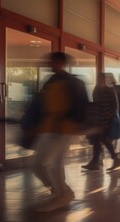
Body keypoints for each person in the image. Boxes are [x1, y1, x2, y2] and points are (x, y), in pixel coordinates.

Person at [32, 52, 89, 212]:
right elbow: (42, 104)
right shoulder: (51, 81)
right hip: (50, 127)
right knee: (44, 164)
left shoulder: (71, 82)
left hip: (63, 128)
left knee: (46, 163)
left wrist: (76, 123)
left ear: (60, 62)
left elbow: (80, 105)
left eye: (53, 61)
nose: (49, 63)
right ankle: (62, 192)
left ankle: (62, 193)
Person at [81, 73, 120, 171]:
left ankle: (101, 161)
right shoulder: (97, 90)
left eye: (101, 79)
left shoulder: (109, 90)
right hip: (98, 120)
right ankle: (98, 161)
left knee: (101, 139)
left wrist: (109, 116)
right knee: (99, 140)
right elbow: (95, 103)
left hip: (106, 120)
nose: (99, 81)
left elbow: (115, 106)